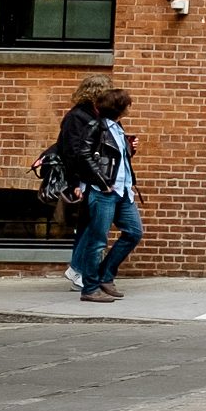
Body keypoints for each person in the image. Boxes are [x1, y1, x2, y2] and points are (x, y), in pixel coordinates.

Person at [58, 80, 142, 304]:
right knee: (97, 240)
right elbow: (80, 155)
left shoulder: (118, 127)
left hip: (122, 191)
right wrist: (101, 182)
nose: (130, 108)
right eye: (128, 105)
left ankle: (105, 276)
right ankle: (90, 287)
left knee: (134, 232)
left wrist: (129, 149)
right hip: (103, 191)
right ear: (119, 108)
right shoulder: (95, 126)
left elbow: (114, 159)